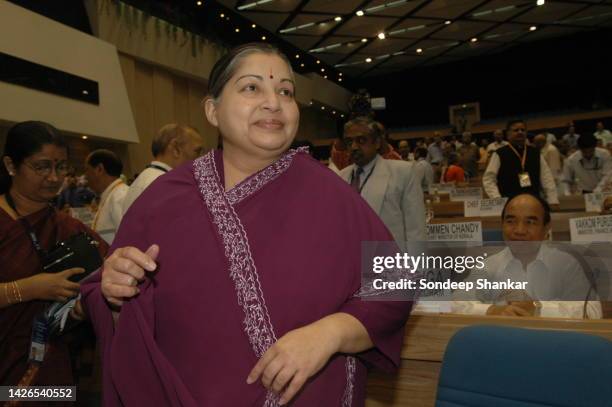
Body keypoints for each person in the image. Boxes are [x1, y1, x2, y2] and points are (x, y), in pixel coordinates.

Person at [81, 43, 413, 407]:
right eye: (252, 87)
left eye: (285, 91)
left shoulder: (331, 194)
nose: (273, 102)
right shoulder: (162, 200)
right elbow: (107, 298)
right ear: (212, 110)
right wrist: (114, 295)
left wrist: (330, 334)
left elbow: (394, 282)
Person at [0, 121, 108, 392]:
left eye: (60, 167)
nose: (54, 177)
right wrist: (28, 289)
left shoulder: (68, 227)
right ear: (11, 166)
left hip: (48, 363)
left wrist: (83, 306)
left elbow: (108, 270)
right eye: (42, 166)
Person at [452, 193, 602, 319]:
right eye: (511, 221)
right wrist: (491, 310)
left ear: (546, 229)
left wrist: (539, 309)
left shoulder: (566, 264)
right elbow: (455, 304)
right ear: (502, 225)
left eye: (530, 222)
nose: (519, 230)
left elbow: (593, 311)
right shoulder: (487, 266)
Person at [339, 116, 426, 244]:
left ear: (378, 142)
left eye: (361, 140)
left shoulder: (404, 172)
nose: (354, 147)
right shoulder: (339, 177)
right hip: (350, 257)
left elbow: (416, 230)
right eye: (349, 142)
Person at [121, 124, 204, 215]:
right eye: (197, 151)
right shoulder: (167, 186)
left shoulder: (145, 179)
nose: (201, 159)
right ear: (176, 149)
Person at [483, 119, 559, 205]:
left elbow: (547, 178)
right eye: (516, 130)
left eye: (523, 130)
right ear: (508, 134)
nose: (520, 132)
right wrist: (498, 200)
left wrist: (553, 200)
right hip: (509, 203)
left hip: (533, 201)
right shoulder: (499, 153)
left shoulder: (535, 153)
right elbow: (489, 179)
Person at [84, 149, 129, 244]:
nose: (85, 176)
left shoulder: (119, 196)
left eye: (87, 170)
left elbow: (130, 240)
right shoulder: (111, 194)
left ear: (99, 169)